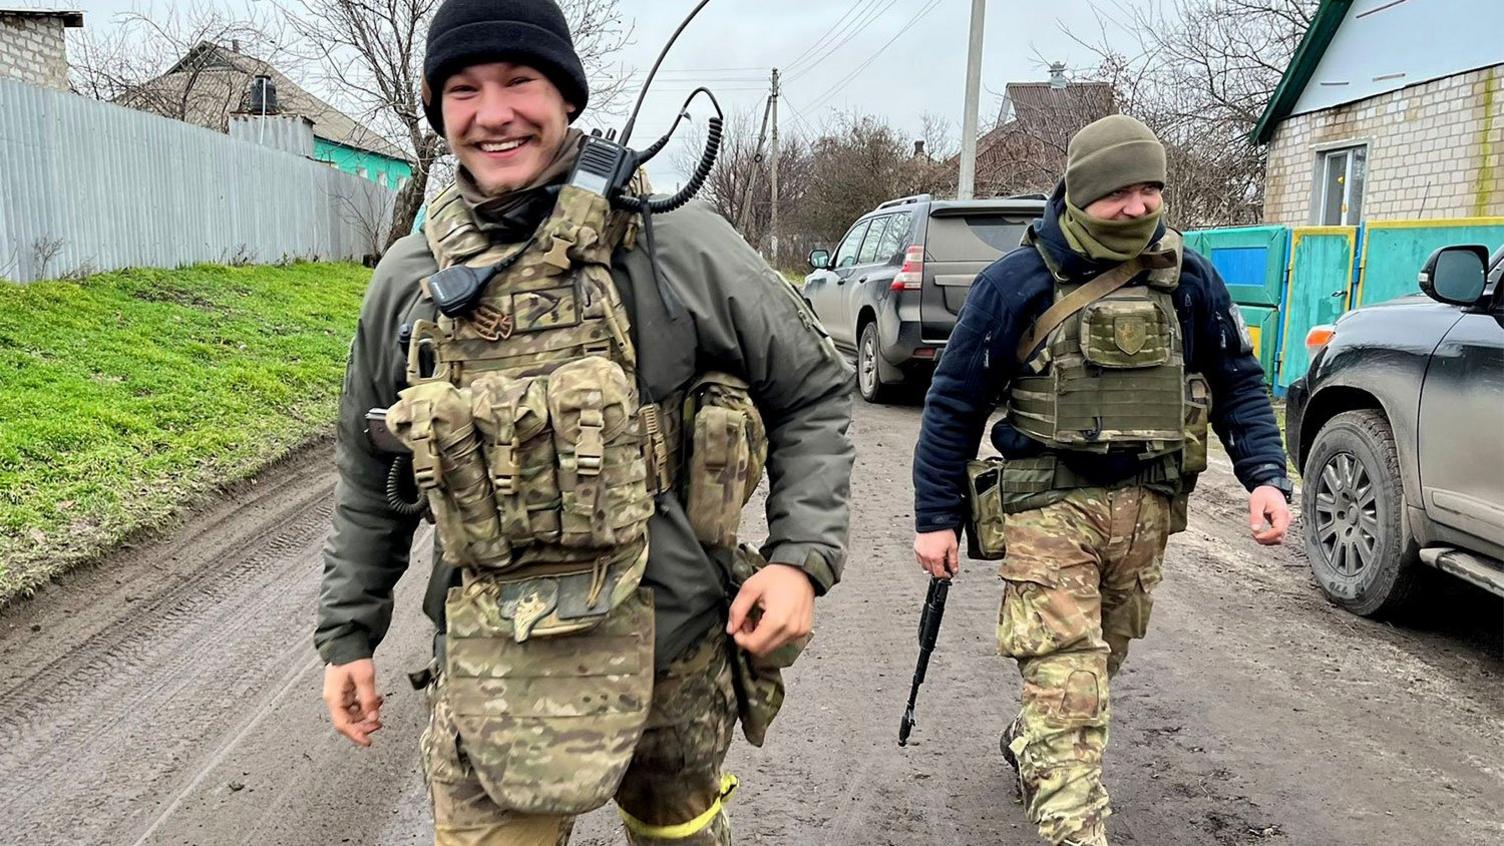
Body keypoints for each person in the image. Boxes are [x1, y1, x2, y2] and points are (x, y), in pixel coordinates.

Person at [313, 2, 854, 843]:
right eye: (464, 89)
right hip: (495, 657)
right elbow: (365, 468)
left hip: (675, 644)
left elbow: (814, 389)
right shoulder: (410, 281)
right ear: (437, 108)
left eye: (519, 80)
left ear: (566, 95)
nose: (494, 113)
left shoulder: (676, 244)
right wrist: (349, 633)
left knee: (677, 830)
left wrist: (799, 560)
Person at [910, 114, 1292, 846]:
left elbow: (1236, 378)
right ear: (1081, 194)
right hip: (1047, 507)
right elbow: (953, 401)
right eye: (1121, 192)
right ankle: (1074, 830)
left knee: (1101, 661)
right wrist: (935, 516)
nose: (1140, 206)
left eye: (1151, 189)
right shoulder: (1016, 281)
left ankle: (1034, 744)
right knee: (1068, 679)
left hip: (1147, 508)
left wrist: (1266, 477)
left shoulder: (1189, 276)